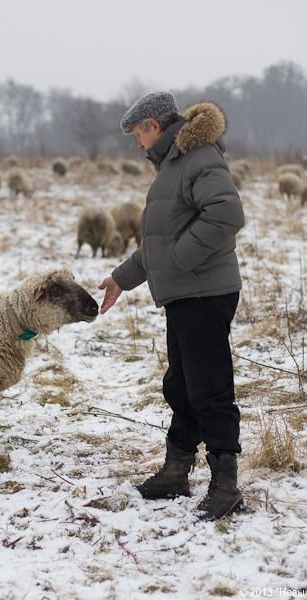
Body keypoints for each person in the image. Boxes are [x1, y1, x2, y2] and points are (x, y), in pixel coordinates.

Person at [98, 92, 246, 520]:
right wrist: (122, 279)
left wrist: (181, 261)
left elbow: (227, 215)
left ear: (155, 127)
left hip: (204, 291)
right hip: (186, 294)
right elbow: (160, 242)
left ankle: (226, 484)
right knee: (181, 386)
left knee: (210, 389)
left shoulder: (199, 157)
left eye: (137, 135)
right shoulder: (172, 167)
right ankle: (177, 470)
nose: (136, 144)